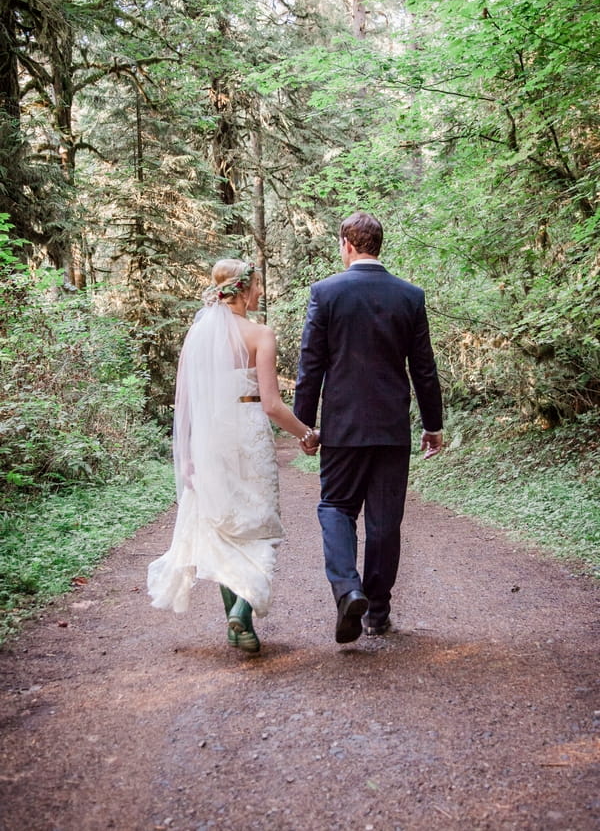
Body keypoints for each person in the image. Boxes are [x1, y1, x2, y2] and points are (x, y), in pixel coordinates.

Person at [148, 259, 318, 654]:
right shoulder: (260, 334)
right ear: (243, 289)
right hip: (247, 430)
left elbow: (186, 402)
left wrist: (188, 450)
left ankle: (235, 621)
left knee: (221, 525)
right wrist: (308, 434)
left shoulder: (197, 335)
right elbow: (272, 406)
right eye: (257, 285)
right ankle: (241, 609)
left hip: (210, 436)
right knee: (259, 523)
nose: (260, 292)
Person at [294, 211, 443, 644]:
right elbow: (424, 369)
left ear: (347, 244)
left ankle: (348, 590)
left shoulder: (325, 293)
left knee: (335, 507)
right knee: (384, 521)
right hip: (392, 427)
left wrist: (306, 425)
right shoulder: (409, 296)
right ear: (378, 245)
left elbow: (311, 364)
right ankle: (377, 612)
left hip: (343, 426)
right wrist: (432, 424)